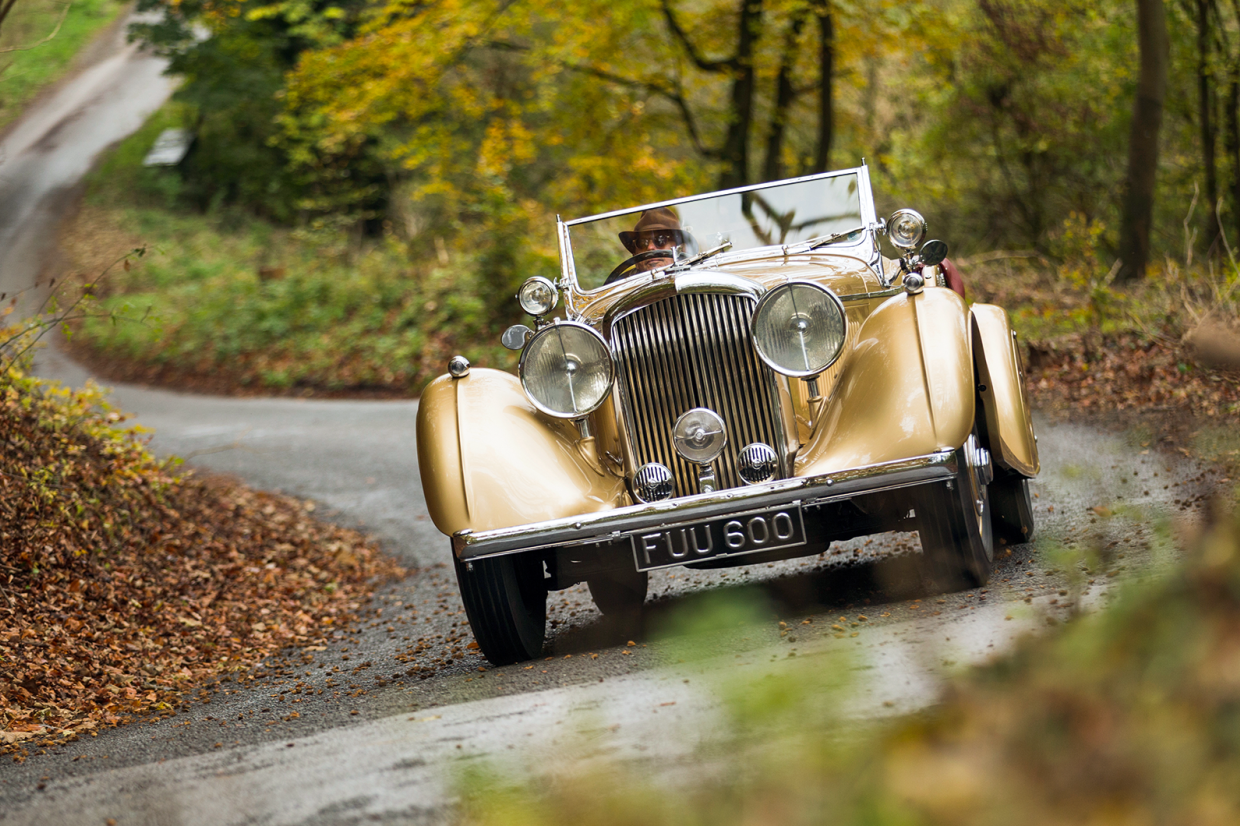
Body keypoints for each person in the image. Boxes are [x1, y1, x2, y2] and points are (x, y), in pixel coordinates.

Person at [608, 207, 691, 284]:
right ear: (635, 254)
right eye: (642, 243)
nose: (650, 247)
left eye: (660, 240)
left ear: (680, 249)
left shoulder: (695, 275)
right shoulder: (621, 288)